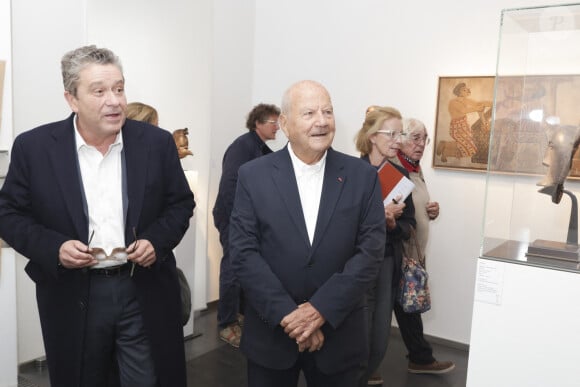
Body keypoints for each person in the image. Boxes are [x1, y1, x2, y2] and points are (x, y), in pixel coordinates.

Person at [0, 45, 194, 387]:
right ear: (71, 99)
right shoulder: (34, 148)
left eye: (119, 89)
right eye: (100, 91)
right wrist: (55, 247)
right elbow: (9, 214)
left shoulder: (156, 143)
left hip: (143, 288)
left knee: (148, 379)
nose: (115, 100)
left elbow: (180, 203)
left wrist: (156, 241)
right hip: (73, 293)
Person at [229, 80, 386, 387]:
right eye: (310, 112)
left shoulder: (361, 176)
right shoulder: (253, 175)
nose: (322, 121)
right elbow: (243, 252)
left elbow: (370, 253)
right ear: (285, 124)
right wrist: (290, 316)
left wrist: (320, 311)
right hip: (271, 333)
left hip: (339, 334)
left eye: (328, 111)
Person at [354, 106, 416, 386]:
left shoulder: (401, 175)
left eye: (399, 133)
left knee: (379, 339)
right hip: (354, 265)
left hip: (386, 262)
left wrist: (393, 225)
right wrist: (380, 217)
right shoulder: (352, 173)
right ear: (372, 135)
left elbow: (409, 224)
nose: (397, 139)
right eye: (391, 133)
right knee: (357, 337)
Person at [212, 103, 281, 348]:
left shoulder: (261, 149)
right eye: (273, 122)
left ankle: (239, 315)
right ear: (258, 123)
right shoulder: (242, 146)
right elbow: (231, 186)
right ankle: (226, 324)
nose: (278, 127)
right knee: (232, 268)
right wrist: (238, 222)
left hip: (245, 218)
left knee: (244, 266)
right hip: (233, 217)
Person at [390, 118, 456, 375]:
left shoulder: (415, 170)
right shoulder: (393, 169)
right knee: (386, 311)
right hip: (398, 254)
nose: (420, 144)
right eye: (414, 138)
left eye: (424, 138)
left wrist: (432, 211)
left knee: (408, 309)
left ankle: (419, 358)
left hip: (414, 255)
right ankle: (368, 366)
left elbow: (413, 206)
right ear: (401, 138)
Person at [447, 82, 492, 158]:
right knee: (471, 150)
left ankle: (445, 148)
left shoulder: (465, 100)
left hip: (464, 126)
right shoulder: (453, 102)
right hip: (456, 129)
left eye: (466, 89)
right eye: (464, 90)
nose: (467, 90)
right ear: (458, 92)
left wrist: (491, 104)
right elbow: (463, 110)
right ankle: (445, 149)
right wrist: (477, 108)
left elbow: (478, 103)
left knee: (470, 147)